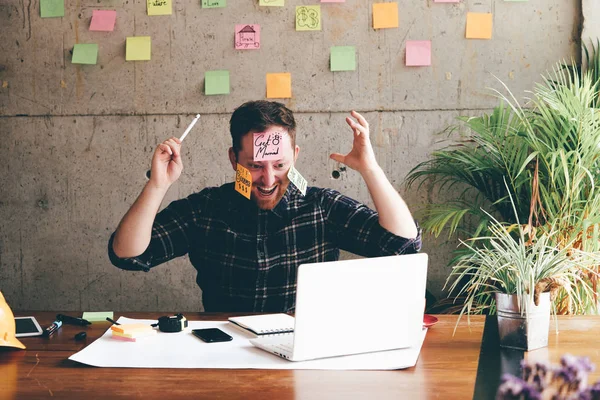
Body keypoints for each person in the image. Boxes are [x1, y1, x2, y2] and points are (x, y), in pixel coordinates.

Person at [108, 101, 421, 312]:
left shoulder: (320, 207)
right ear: (234, 159)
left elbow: (402, 245)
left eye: (280, 164)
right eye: (256, 165)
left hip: (305, 354)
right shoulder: (205, 209)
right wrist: (157, 185)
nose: (268, 179)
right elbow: (127, 255)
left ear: (295, 156)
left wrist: (370, 169)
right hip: (227, 356)